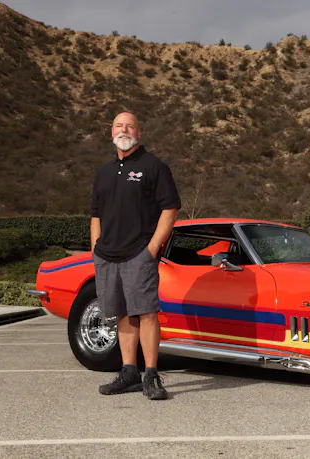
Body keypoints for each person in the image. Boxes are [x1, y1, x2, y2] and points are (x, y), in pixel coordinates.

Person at [90, 112, 181, 400]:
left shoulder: (154, 166)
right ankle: (129, 373)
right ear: (111, 132)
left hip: (138, 254)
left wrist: (151, 248)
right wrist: (95, 248)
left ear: (138, 132)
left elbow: (170, 209)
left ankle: (151, 375)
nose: (124, 130)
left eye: (130, 126)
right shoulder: (103, 172)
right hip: (107, 256)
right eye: (119, 126)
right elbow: (95, 214)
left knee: (147, 313)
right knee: (122, 314)